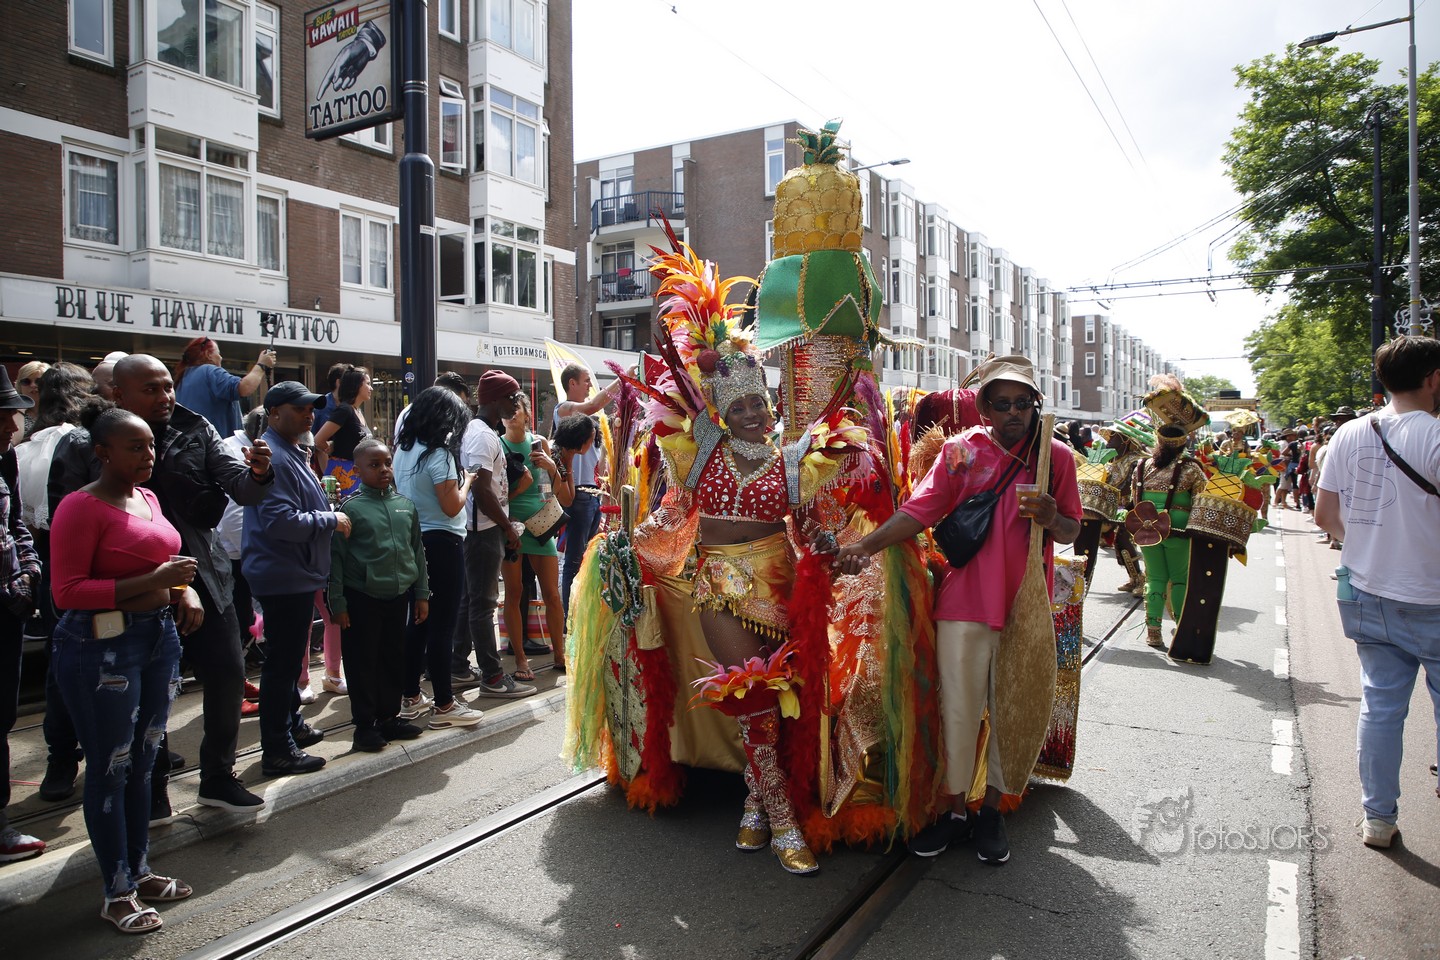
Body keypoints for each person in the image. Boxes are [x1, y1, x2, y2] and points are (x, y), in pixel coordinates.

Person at [832, 355, 1082, 866]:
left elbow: (1073, 530)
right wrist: (864, 547)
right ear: (985, 408)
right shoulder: (960, 452)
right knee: (959, 713)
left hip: (1026, 607)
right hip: (964, 604)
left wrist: (1052, 516)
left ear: (1036, 405)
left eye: (1022, 403)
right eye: (1002, 404)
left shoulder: (1055, 457)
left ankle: (991, 811)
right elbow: (918, 511)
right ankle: (953, 812)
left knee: (1012, 711)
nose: (1013, 413)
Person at [46, 355, 275, 815]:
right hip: (125, 593)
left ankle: (218, 776)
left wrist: (258, 473)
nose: (165, 397)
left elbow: (243, 489)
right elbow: (67, 525)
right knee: (147, 690)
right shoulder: (85, 442)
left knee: (227, 672)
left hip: (200, 575)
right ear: (118, 394)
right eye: (150, 389)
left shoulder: (195, 427)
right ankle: (147, 789)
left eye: (168, 386)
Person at [50, 406, 202, 934]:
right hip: (101, 648)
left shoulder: (148, 497)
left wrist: (183, 590)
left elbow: (164, 567)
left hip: (157, 638)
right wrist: (156, 581)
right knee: (110, 767)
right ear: (102, 452)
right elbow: (67, 591)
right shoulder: (80, 506)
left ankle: (139, 870)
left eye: (150, 446)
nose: (148, 454)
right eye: (134, 447)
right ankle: (116, 891)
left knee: (143, 763)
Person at [1315, 335, 1440, 850]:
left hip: (1366, 591)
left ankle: (1378, 820)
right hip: (1431, 595)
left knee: (1381, 706)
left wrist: (1368, 547)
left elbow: (1325, 516)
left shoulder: (1348, 433)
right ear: (1433, 378)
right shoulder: (1435, 435)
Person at [243, 381, 345, 777]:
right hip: (283, 572)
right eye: (299, 408)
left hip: (293, 571)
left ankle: (291, 727)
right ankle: (277, 749)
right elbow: (280, 522)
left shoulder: (289, 452)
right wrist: (330, 519)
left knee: (285, 661)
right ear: (273, 414)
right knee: (282, 664)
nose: (309, 414)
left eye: (311, 408)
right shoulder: (276, 457)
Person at [393, 386, 488, 726]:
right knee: (442, 624)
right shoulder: (438, 455)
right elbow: (451, 506)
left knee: (418, 621)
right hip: (442, 543)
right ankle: (445, 705)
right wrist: (467, 481)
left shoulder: (404, 450)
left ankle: (410, 696)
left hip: (413, 541)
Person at [329, 438, 430, 751]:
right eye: (374, 465)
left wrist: (422, 593)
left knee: (392, 657)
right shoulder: (351, 509)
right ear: (357, 470)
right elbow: (337, 559)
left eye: (387, 463)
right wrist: (338, 603)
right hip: (362, 597)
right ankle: (364, 726)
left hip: (398, 595)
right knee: (362, 661)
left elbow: (417, 551)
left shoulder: (405, 506)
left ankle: (389, 718)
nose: (384, 470)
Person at [0, 367, 43, 865]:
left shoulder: (5, 457)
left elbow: (16, 524)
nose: (12, 427)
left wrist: (28, 570)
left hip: (9, 607)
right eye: (3, 415)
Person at [1130, 394, 1209, 650]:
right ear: (1183, 442)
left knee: (1154, 577)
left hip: (1146, 529)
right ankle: (1181, 626)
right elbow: (1201, 502)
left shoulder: (1142, 466)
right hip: (1179, 530)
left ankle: (1153, 631)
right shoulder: (1192, 469)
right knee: (1180, 579)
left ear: (1159, 439)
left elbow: (1133, 500)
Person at [498, 394, 568, 681]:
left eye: (516, 408)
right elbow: (496, 495)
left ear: (527, 414)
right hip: (511, 526)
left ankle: (560, 654)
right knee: (514, 593)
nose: (511, 413)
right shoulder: (497, 445)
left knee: (552, 593)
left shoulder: (539, 443)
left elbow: (553, 492)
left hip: (541, 525)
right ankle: (521, 660)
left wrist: (551, 467)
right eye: (506, 409)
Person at [553, 363, 622, 616]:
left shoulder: (592, 423)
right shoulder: (563, 410)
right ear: (571, 383)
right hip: (577, 494)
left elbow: (600, 462)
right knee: (573, 561)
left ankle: (581, 614)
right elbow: (593, 404)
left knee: (587, 560)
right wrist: (623, 379)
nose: (589, 385)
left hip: (594, 496)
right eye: (585, 380)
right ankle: (569, 618)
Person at [172, 336, 277, 437]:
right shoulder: (209, 371)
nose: (221, 357)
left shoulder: (182, 379)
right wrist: (262, 365)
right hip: (215, 445)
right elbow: (245, 388)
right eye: (218, 353)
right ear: (208, 354)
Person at [313, 365, 373, 494]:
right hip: (344, 475)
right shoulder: (344, 410)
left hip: (358, 473)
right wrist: (331, 447)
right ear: (356, 385)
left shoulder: (357, 411)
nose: (371, 388)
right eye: (368, 384)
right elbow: (318, 440)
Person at [15, 360, 49, 437]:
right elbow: (13, 441)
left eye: (39, 381)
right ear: (19, 386)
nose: (33, 385)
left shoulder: (60, 410)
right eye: (26, 381)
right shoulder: (12, 413)